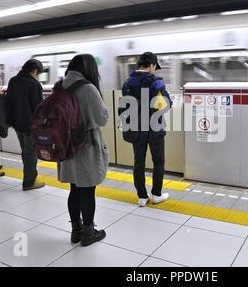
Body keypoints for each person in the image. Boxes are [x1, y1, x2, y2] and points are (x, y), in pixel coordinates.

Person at [58, 54, 109, 247]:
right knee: (88, 190)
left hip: (66, 146)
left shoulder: (60, 86)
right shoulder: (88, 88)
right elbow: (102, 118)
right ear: (89, 69)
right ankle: (89, 233)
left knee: (74, 189)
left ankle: (76, 230)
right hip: (85, 146)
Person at [120, 52, 172, 207]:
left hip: (135, 129)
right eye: (155, 66)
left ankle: (142, 196)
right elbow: (166, 104)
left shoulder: (127, 83)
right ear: (151, 65)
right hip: (154, 129)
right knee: (158, 162)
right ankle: (156, 194)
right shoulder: (156, 83)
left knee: (138, 162)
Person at [6, 59, 45, 191]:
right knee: (30, 154)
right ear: (35, 71)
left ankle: (30, 177)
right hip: (31, 126)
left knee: (26, 152)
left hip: (17, 124)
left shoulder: (13, 81)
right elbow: (38, 108)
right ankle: (29, 182)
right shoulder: (33, 84)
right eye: (38, 73)